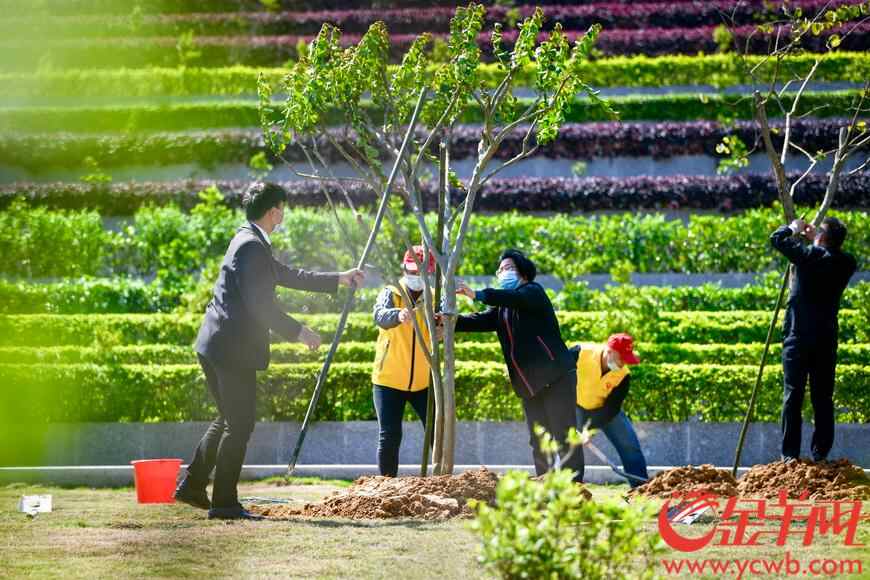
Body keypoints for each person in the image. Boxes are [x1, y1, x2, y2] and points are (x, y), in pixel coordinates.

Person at [175, 182, 365, 520]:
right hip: (231, 349)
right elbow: (260, 306)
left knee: (229, 419)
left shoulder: (248, 239)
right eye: (282, 208)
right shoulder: (252, 246)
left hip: (218, 344)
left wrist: (339, 278)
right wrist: (299, 332)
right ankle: (224, 504)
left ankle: (192, 485)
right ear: (274, 211)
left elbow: (285, 274)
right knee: (240, 425)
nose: (284, 214)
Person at [452, 249, 584, 481]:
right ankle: (545, 486)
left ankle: (574, 489)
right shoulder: (502, 308)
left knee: (564, 436)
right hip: (529, 384)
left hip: (556, 377)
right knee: (538, 440)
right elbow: (481, 320)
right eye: (500, 270)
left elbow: (515, 299)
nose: (503, 272)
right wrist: (450, 321)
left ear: (522, 271)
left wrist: (477, 294)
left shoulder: (532, 292)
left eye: (509, 268)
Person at [770, 216, 856, 463]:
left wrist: (793, 228)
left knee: (793, 395)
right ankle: (820, 454)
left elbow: (776, 239)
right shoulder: (846, 262)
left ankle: (790, 454)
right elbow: (827, 254)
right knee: (823, 397)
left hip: (798, 337)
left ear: (823, 237)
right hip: (826, 339)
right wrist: (815, 238)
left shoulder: (809, 256)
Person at [371, 246, 436, 477]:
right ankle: (387, 485)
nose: (415, 276)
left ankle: (442, 480)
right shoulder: (391, 292)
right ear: (404, 269)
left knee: (436, 431)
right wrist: (397, 315)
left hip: (423, 382)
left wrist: (441, 326)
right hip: (388, 380)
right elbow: (379, 315)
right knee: (389, 435)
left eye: (420, 272)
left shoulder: (434, 297)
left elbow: (441, 327)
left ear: (429, 272)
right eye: (411, 271)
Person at [572, 334, 648, 488]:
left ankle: (640, 488)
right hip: (575, 407)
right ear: (610, 351)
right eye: (621, 358)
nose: (622, 364)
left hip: (605, 411)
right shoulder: (580, 353)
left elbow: (612, 408)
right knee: (572, 447)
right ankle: (573, 488)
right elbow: (558, 375)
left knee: (629, 446)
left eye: (626, 360)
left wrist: (588, 429)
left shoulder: (623, 376)